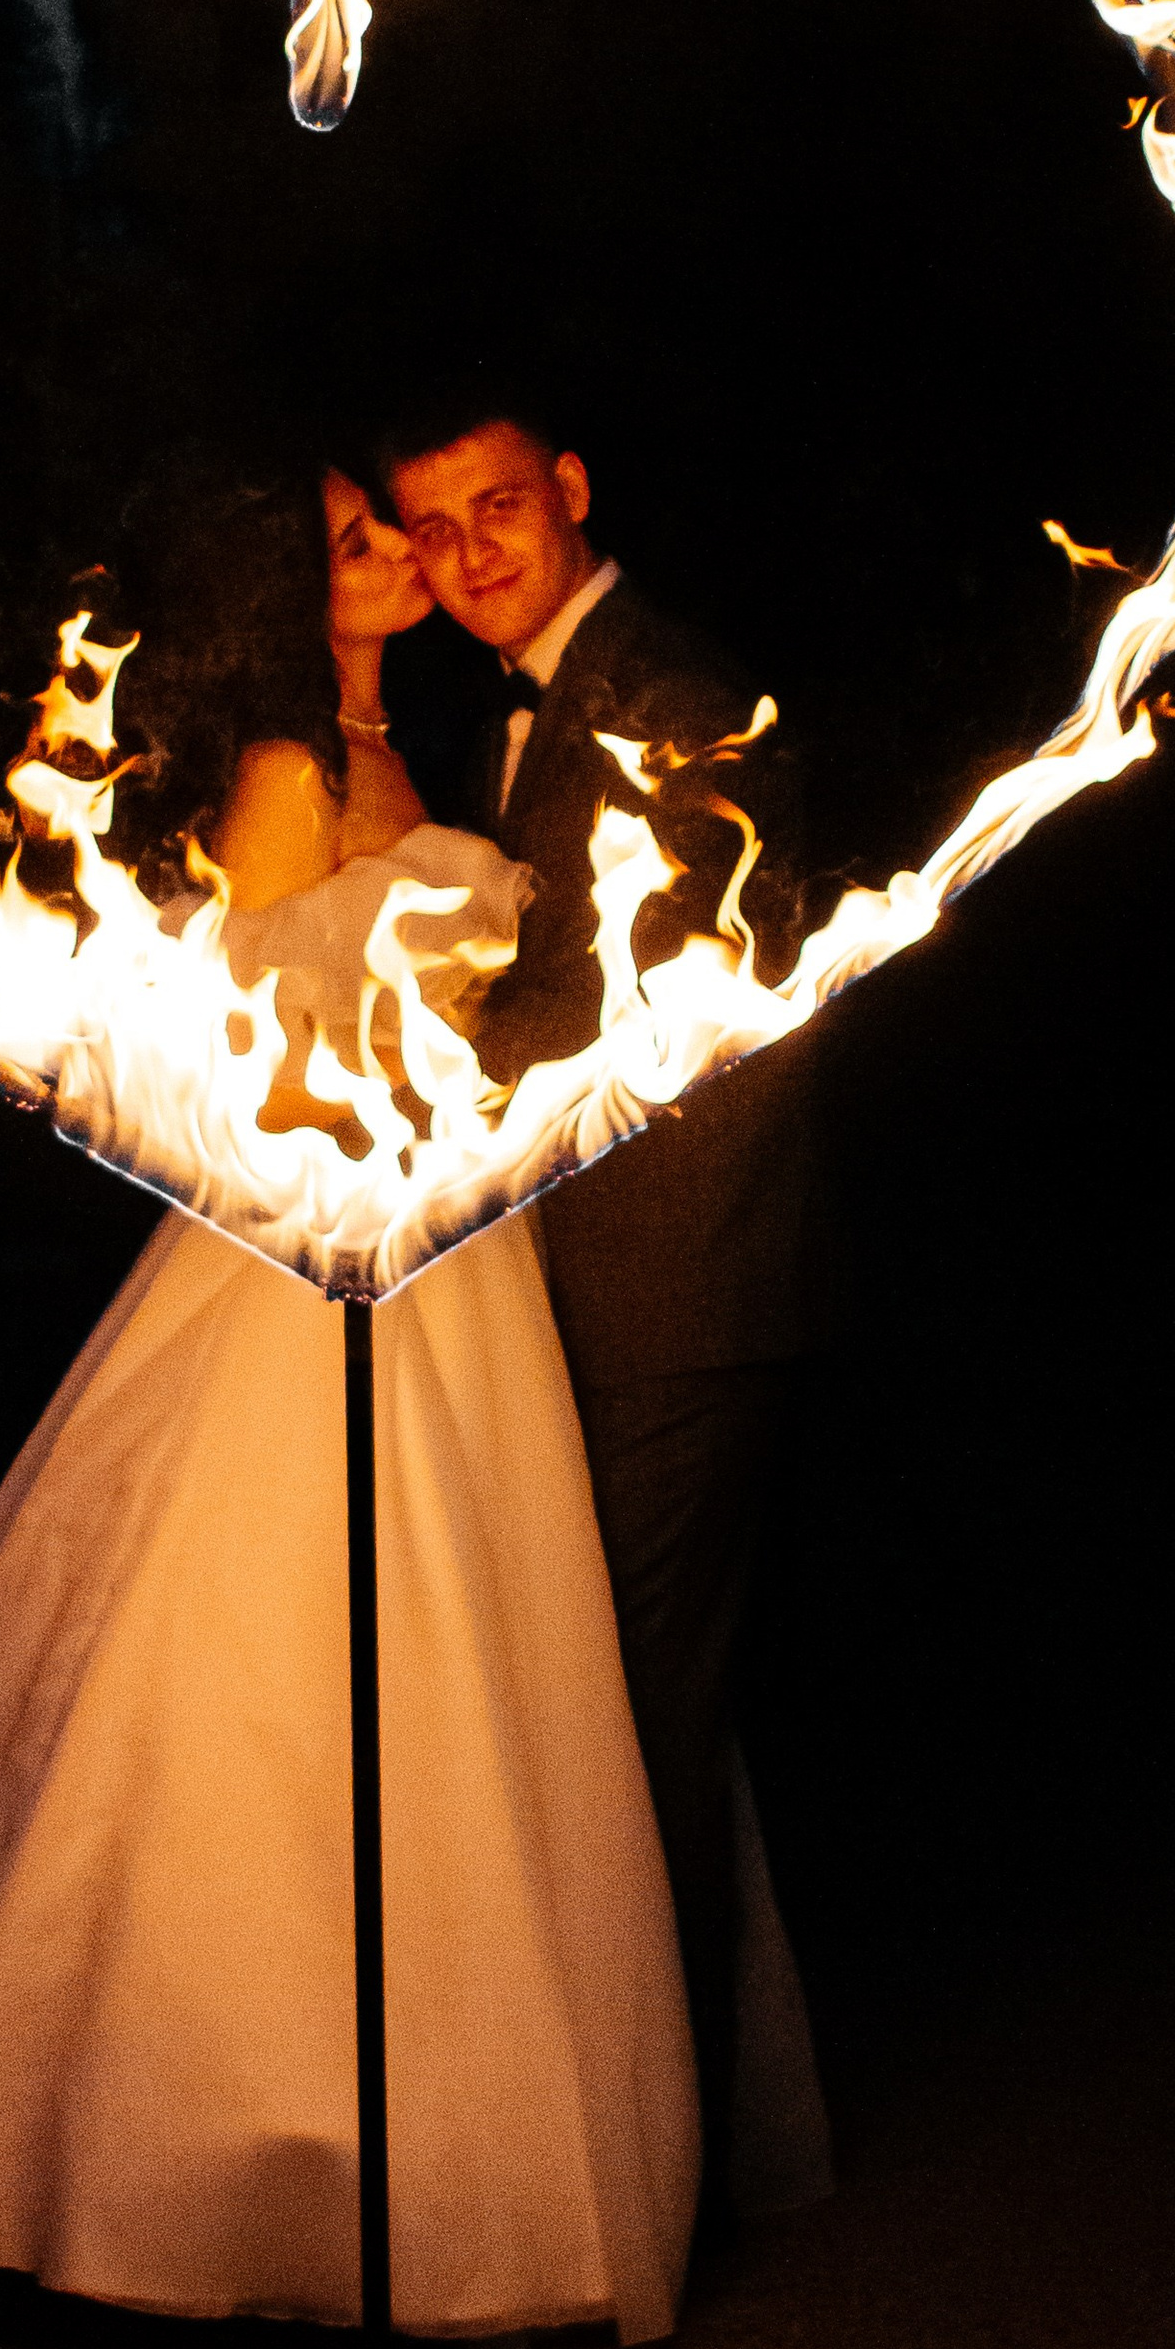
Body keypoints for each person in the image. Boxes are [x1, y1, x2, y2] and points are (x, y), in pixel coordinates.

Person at [0, 461, 823, 2344]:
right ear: (278, 582)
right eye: (361, 540)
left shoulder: (392, 737)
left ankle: (568, 2141)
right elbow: (254, 1058)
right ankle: (191, 2162)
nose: (402, 558)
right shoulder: (288, 776)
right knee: (275, 1688)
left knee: (543, 1701)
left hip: (473, 1264)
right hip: (332, 1260)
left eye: (415, 523)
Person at [378, 388, 827, 2227]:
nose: (473, 555)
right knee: (596, 1704)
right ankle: (621, 2140)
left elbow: (644, 998)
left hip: (674, 1271)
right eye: (434, 530)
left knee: (644, 1707)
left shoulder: (675, 681)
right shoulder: (517, 700)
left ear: (570, 489)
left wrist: (404, 1072)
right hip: (562, 1270)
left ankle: (664, 2182)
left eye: (498, 508)